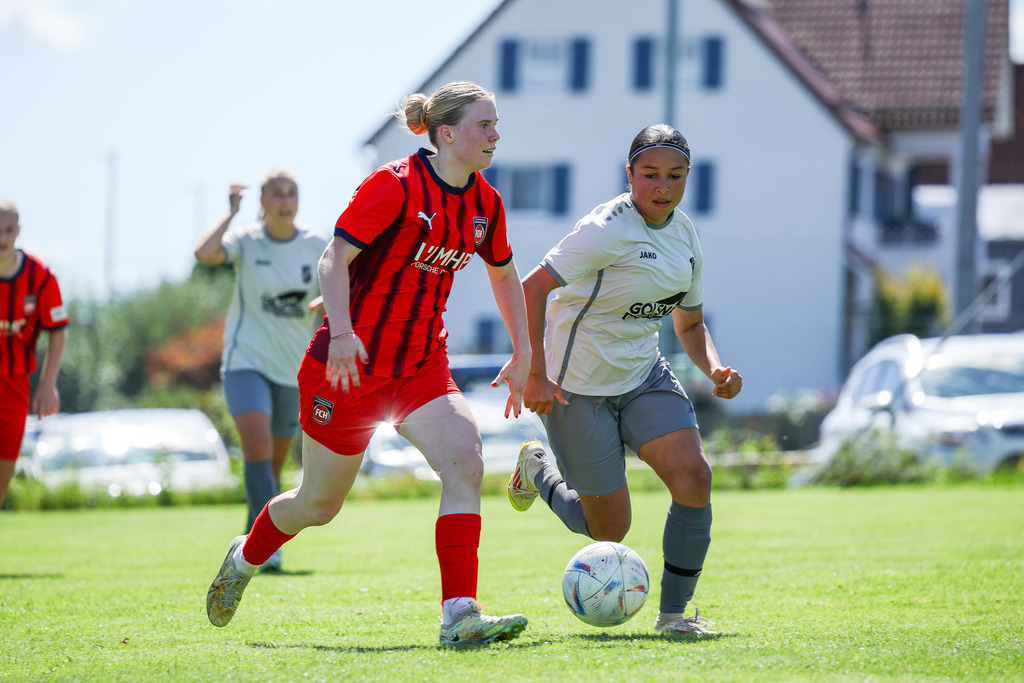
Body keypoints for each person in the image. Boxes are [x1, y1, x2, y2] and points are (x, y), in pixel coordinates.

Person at [206, 81, 533, 648]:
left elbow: (503, 273)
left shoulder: (486, 203)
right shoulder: (395, 185)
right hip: (348, 369)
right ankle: (246, 555)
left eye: (496, 124)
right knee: (318, 504)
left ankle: (459, 615)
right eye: (485, 126)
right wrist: (342, 333)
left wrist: (524, 350)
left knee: (465, 465)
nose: (495, 135)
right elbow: (334, 258)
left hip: (422, 366)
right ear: (447, 133)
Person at [507, 124, 742, 636]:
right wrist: (535, 373)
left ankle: (674, 616)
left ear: (687, 178)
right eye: (650, 175)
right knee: (608, 528)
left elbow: (690, 322)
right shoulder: (605, 229)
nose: (663, 187)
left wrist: (715, 370)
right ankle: (537, 471)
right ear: (630, 175)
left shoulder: (685, 235)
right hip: (575, 388)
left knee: (694, 477)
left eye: (675, 176)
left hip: (643, 376)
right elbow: (531, 287)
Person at [194, 169, 328, 572]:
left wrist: (327, 298)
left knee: (271, 466)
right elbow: (204, 254)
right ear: (263, 202)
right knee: (257, 449)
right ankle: (265, 551)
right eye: (277, 194)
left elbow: (345, 276)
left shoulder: (314, 243)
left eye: (292, 193)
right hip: (245, 363)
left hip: (292, 369)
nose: (285, 201)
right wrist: (230, 214)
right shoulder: (246, 240)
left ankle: (253, 537)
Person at [0, 200, 68, 507]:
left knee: (5, 466)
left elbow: (57, 329)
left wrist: (47, 383)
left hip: (15, 384)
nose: (2, 237)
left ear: (18, 231)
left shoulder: (40, 276)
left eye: (8, 230)